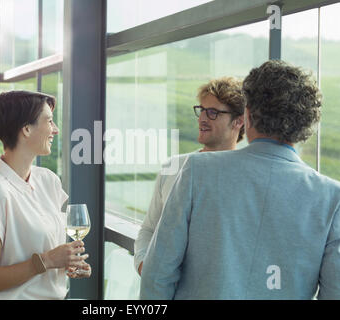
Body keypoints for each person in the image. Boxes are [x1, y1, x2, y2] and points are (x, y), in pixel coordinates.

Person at [140, 60, 340, 299]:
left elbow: (158, 275)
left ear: (247, 115)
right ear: (307, 125)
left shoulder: (196, 171)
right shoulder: (331, 197)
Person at [0, 90, 91, 300]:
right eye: (50, 121)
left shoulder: (49, 181)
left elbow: (50, 253)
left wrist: (67, 264)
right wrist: (46, 261)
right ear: (26, 129)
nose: (55, 130)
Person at [134, 77, 246, 275]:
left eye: (212, 112)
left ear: (239, 121)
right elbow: (149, 229)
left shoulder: (247, 177)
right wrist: (144, 265)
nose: (202, 118)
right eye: (201, 110)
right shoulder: (173, 167)